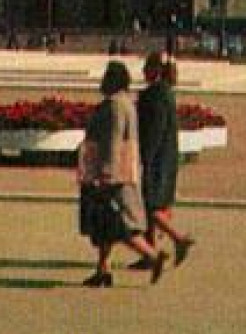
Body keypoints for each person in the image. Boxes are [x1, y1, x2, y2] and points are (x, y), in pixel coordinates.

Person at [77, 60, 167, 287]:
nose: (102, 80)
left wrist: (106, 174)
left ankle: (153, 257)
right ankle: (102, 270)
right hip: (120, 171)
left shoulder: (117, 105)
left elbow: (114, 140)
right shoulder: (125, 102)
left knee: (118, 225)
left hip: (113, 174)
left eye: (106, 76)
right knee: (106, 225)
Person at [134, 53, 195, 267]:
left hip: (157, 159)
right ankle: (150, 251)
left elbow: (154, 130)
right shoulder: (164, 92)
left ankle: (178, 238)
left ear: (156, 70)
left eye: (147, 67)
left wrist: (144, 156)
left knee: (150, 205)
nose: (143, 72)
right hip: (166, 157)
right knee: (152, 205)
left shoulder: (156, 95)